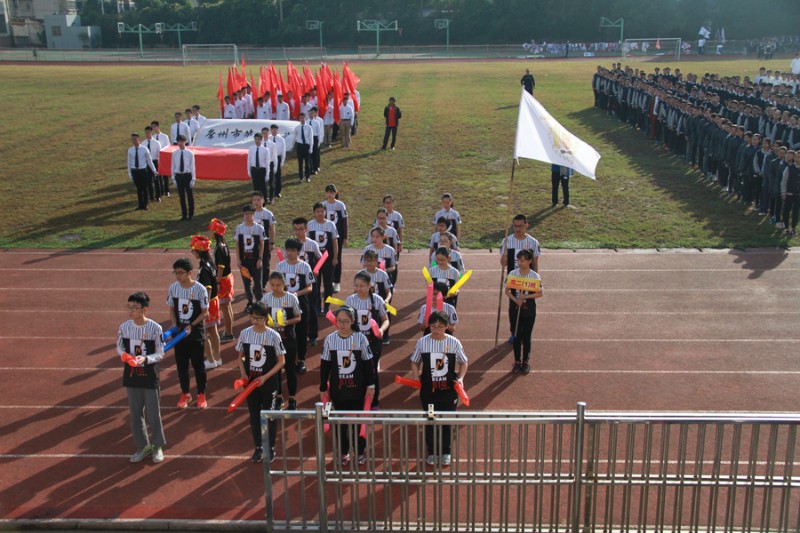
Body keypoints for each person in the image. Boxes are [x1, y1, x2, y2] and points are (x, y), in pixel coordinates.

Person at [408, 310, 468, 467]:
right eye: (433, 326)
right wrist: (416, 376)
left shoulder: (454, 343)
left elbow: (463, 362)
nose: (436, 330)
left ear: (447, 326)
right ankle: (433, 452)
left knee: (446, 421)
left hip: (448, 392)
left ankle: (446, 451)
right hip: (429, 393)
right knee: (431, 420)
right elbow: (414, 361)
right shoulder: (423, 342)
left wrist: (460, 379)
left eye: (441, 326)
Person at [319, 306, 375, 466]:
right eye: (339, 321)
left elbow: (367, 364)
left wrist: (371, 386)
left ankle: (359, 451)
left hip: (358, 389)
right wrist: (323, 387)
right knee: (341, 423)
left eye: (345, 321)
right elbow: (325, 365)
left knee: (359, 422)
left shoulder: (360, 339)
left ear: (352, 322)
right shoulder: (330, 339)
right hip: (338, 389)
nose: (342, 324)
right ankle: (343, 452)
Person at [117, 292, 166, 464]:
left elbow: (161, 353)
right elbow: (120, 347)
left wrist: (146, 359)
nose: (130, 310)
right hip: (131, 375)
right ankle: (142, 446)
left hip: (149, 376)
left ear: (144, 309)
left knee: (153, 414)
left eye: (135, 307)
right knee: (135, 414)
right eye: (129, 307)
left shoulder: (155, 328)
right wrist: (124, 356)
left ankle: (157, 445)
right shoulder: (124, 327)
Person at [236, 301, 285, 463]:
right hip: (251, 384)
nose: (255, 321)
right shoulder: (245, 334)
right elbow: (241, 357)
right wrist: (243, 374)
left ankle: (270, 447)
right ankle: (258, 447)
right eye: (252, 318)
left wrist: (265, 377)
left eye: (258, 318)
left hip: (268, 384)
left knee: (270, 416)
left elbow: (281, 361)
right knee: (254, 416)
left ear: (266, 318)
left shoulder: (273, 336)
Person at [167, 258, 210, 409]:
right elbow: (172, 310)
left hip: (195, 333)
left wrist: (191, 325)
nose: (178, 276)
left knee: (198, 365)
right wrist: (174, 324)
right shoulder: (173, 288)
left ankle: (201, 394)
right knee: (181, 366)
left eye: (181, 273)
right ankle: (185, 393)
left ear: (190, 273)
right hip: (179, 333)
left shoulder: (200, 289)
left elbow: (205, 313)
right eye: (176, 273)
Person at [344, 272, 389, 409]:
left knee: (372, 371)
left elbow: (385, 319)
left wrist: (381, 330)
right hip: (355, 343)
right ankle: (358, 398)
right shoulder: (350, 300)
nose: (359, 289)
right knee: (355, 370)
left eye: (362, 286)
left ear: (369, 286)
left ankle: (374, 400)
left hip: (373, 343)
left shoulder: (377, 300)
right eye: (356, 285)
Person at [260, 271, 302, 411]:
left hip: (288, 339)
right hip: (272, 341)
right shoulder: (266, 299)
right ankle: (278, 397)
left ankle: (292, 398)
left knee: (289, 369)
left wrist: (286, 322)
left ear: (284, 284)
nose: (275, 288)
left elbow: (298, 317)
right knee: (275, 370)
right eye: (272, 285)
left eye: (278, 285)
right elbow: (261, 317)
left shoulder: (291, 298)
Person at [276, 238, 315, 373]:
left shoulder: (305, 266)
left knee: (301, 332)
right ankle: (285, 360)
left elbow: (310, 288)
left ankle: (301, 360)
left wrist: (296, 294)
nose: (290, 253)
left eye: (293, 250)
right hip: (283, 304)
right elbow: (275, 284)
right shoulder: (280, 266)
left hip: (301, 303)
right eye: (288, 250)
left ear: (298, 251)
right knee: (285, 332)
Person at [504, 249, 543, 375]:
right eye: (518, 260)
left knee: (526, 336)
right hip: (516, 308)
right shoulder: (513, 273)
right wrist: (516, 300)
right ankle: (516, 361)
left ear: (529, 261)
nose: (520, 263)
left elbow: (540, 293)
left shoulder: (534, 276)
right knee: (516, 335)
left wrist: (526, 297)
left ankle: (525, 361)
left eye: (523, 260)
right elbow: (507, 290)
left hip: (529, 309)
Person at [308, 202, 339, 319]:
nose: (320, 213)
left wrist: (335, 257)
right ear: (314, 213)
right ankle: (317, 306)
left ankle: (326, 306)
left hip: (328, 259)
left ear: (325, 212)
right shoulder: (310, 225)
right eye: (317, 211)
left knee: (328, 284)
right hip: (314, 260)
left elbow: (334, 242)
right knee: (315, 284)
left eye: (322, 211)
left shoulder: (331, 225)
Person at [235, 204, 266, 313]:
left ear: (254, 214)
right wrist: (238, 259)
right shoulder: (239, 228)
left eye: (250, 214)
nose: (248, 216)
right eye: (246, 214)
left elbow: (262, 244)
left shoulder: (259, 228)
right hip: (244, 261)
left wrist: (260, 259)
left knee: (258, 283)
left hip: (255, 261)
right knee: (246, 283)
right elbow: (237, 245)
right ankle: (250, 302)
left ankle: (260, 303)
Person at [209, 218, 234, 342]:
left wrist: (217, 281)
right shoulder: (224, 244)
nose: (210, 233)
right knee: (228, 306)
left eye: (211, 230)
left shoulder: (219, 247)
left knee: (225, 307)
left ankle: (229, 333)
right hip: (228, 277)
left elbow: (220, 266)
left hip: (223, 279)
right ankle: (229, 331)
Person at [323, 184, 349, 291]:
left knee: (337, 257)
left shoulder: (340, 205)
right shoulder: (323, 205)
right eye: (328, 192)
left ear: (336, 193)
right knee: (326, 258)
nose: (330, 194)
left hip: (338, 236)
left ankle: (337, 281)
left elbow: (344, 221)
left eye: (332, 192)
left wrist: (345, 237)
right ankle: (328, 281)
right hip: (325, 237)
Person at [251, 191, 276, 287]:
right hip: (253, 243)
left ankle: (264, 282)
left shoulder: (268, 213)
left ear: (263, 200)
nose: (256, 202)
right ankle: (257, 281)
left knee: (265, 262)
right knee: (254, 262)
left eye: (258, 199)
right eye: (254, 200)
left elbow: (272, 229)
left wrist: (271, 242)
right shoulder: (250, 213)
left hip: (265, 242)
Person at [127, 132, 157, 211]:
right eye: (132, 139)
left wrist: (154, 170)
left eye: (135, 139)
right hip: (135, 171)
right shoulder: (130, 150)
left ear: (139, 139)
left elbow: (149, 161)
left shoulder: (144, 149)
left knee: (144, 188)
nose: (134, 141)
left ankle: (145, 204)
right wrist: (130, 173)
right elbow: (129, 162)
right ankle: (140, 204)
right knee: (138, 188)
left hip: (143, 170)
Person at [171, 135, 196, 221]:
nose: (180, 143)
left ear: (185, 142)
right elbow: (173, 166)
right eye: (179, 141)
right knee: (181, 196)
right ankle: (184, 214)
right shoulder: (175, 153)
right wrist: (173, 178)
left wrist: (193, 178)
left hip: (187, 175)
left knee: (189, 195)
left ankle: (191, 214)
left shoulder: (189, 153)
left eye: (182, 141)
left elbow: (192, 166)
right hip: (179, 175)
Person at [248, 133, 270, 201]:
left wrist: (267, 174)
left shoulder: (265, 149)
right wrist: (249, 170)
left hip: (262, 169)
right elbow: (249, 160)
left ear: (261, 140)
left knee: (263, 186)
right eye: (255, 139)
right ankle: (257, 199)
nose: (257, 141)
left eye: (258, 139)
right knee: (255, 185)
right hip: (254, 169)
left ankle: (265, 198)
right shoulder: (251, 148)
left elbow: (267, 162)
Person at [151, 121, 171, 197]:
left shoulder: (164, 136)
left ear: (158, 127)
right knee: (158, 176)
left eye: (154, 126)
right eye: (152, 127)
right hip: (156, 158)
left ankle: (167, 190)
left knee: (165, 176)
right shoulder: (152, 137)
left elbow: (168, 147)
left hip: (163, 158)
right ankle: (161, 190)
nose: (153, 128)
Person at [143, 126, 162, 203]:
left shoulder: (156, 143)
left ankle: (158, 196)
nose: (147, 134)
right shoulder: (143, 143)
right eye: (146, 133)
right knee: (148, 180)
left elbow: (160, 154)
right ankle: (151, 196)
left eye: (148, 132)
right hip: (147, 163)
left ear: (151, 132)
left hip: (155, 161)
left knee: (156, 180)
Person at [294, 113, 314, 183]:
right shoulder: (297, 128)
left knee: (307, 162)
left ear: (305, 118)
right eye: (300, 118)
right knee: (300, 163)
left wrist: (311, 147)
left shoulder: (309, 127)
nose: (302, 119)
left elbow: (311, 138)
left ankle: (308, 177)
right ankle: (301, 177)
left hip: (306, 145)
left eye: (303, 118)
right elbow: (295, 137)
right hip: (300, 145)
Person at [269, 124, 286, 200]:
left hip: (278, 157)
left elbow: (283, 151)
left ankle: (278, 191)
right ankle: (270, 192)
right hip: (270, 159)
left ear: (277, 130)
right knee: (270, 176)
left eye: (275, 129)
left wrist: (282, 161)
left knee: (278, 175)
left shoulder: (281, 139)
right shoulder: (268, 138)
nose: (274, 131)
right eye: (272, 129)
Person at [309, 107, 324, 174]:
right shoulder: (309, 120)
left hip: (316, 138)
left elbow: (321, 131)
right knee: (311, 154)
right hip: (310, 138)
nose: (312, 113)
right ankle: (311, 167)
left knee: (316, 154)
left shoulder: (320, 120)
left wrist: (320, 140)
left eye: (313, 112)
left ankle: (317, 166)